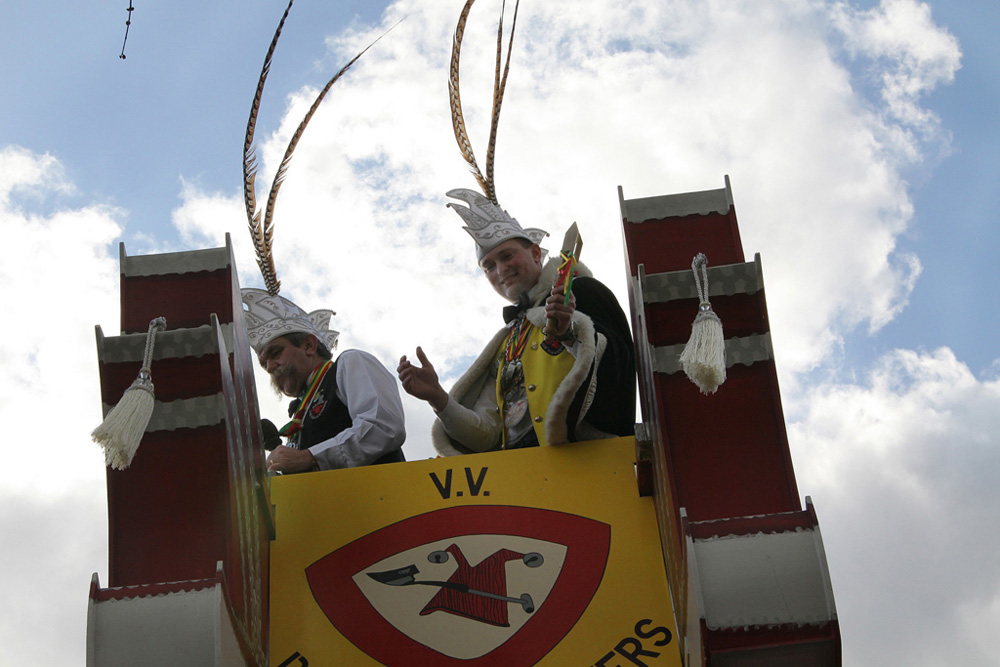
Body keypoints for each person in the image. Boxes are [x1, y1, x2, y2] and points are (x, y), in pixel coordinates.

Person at [398, 188, 635, 456]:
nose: (501, 270)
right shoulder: (506, 342)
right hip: (523, 472)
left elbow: (618, 370)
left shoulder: (582, 291)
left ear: (535, 253)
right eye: (488, 266)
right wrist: (437, 397)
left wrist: (569, 334)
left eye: (507, 256)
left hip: (584, 460)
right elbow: (488, 434)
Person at [243, 288, 406, 473]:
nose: (270, 367)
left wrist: (309, 457)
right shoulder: (300, 409)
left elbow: (383, 426)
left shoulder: (349, 363)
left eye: (276, 353)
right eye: (264, 363)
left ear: (309, 346)